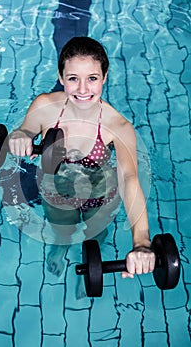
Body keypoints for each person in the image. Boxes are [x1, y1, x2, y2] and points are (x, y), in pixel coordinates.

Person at [9, 36, 155, 281]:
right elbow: (23, 132)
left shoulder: (117, 125)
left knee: (96, 236)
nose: (83, 89)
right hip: (56, 188)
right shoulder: (45, 106)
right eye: (73, 78)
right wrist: (20, 136)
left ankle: (91, 261)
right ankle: (61, 247)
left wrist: (141, 241)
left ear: (104, 77)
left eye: (92, 79)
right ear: (61, 76)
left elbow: (129, 178)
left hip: (99, 192)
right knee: (61, 230)